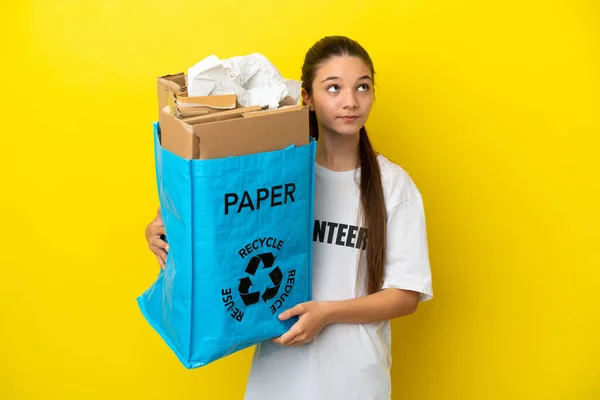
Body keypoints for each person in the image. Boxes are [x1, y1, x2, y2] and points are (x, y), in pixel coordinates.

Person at [145, 35, 433, 400]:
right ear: (307, 99)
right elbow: (220, 235)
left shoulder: (393, 185)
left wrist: (326, 313)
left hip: (357, 382)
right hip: (278, 379)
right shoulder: (276, 175)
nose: (350, 101)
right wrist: (160, 230)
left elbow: (405, 295)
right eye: (334, 88)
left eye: (363, 87)